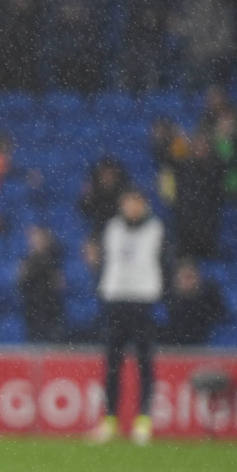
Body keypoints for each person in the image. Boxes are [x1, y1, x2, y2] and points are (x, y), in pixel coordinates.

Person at [89, 188, 164, 446]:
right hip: (116, 299)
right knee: (112, 364)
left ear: (143, 204)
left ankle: (143, 421)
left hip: (142, 300)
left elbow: (166, 262)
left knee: (145, 362)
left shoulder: (157, 229)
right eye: (128, 202)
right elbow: (101, 259)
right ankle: (109, 421)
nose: (131, 207)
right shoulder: (112, 228)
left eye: (136, 202)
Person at [17, 225, 67, 344]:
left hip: (51, 313)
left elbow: (60, 285)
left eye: (40, 239)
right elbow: (20, 283)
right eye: (35, 239)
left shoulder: (55, 260)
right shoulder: (26, 261)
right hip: (31, 312)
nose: (37, 242)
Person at [162, 259, 228, 346]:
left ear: (198, 278)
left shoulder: (209, 301)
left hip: (203, 349)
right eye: (183, 277)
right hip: (172, 349)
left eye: (190, 277)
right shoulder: (165, 302)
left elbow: (222, 323)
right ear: (175, 279)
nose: (188, 282)